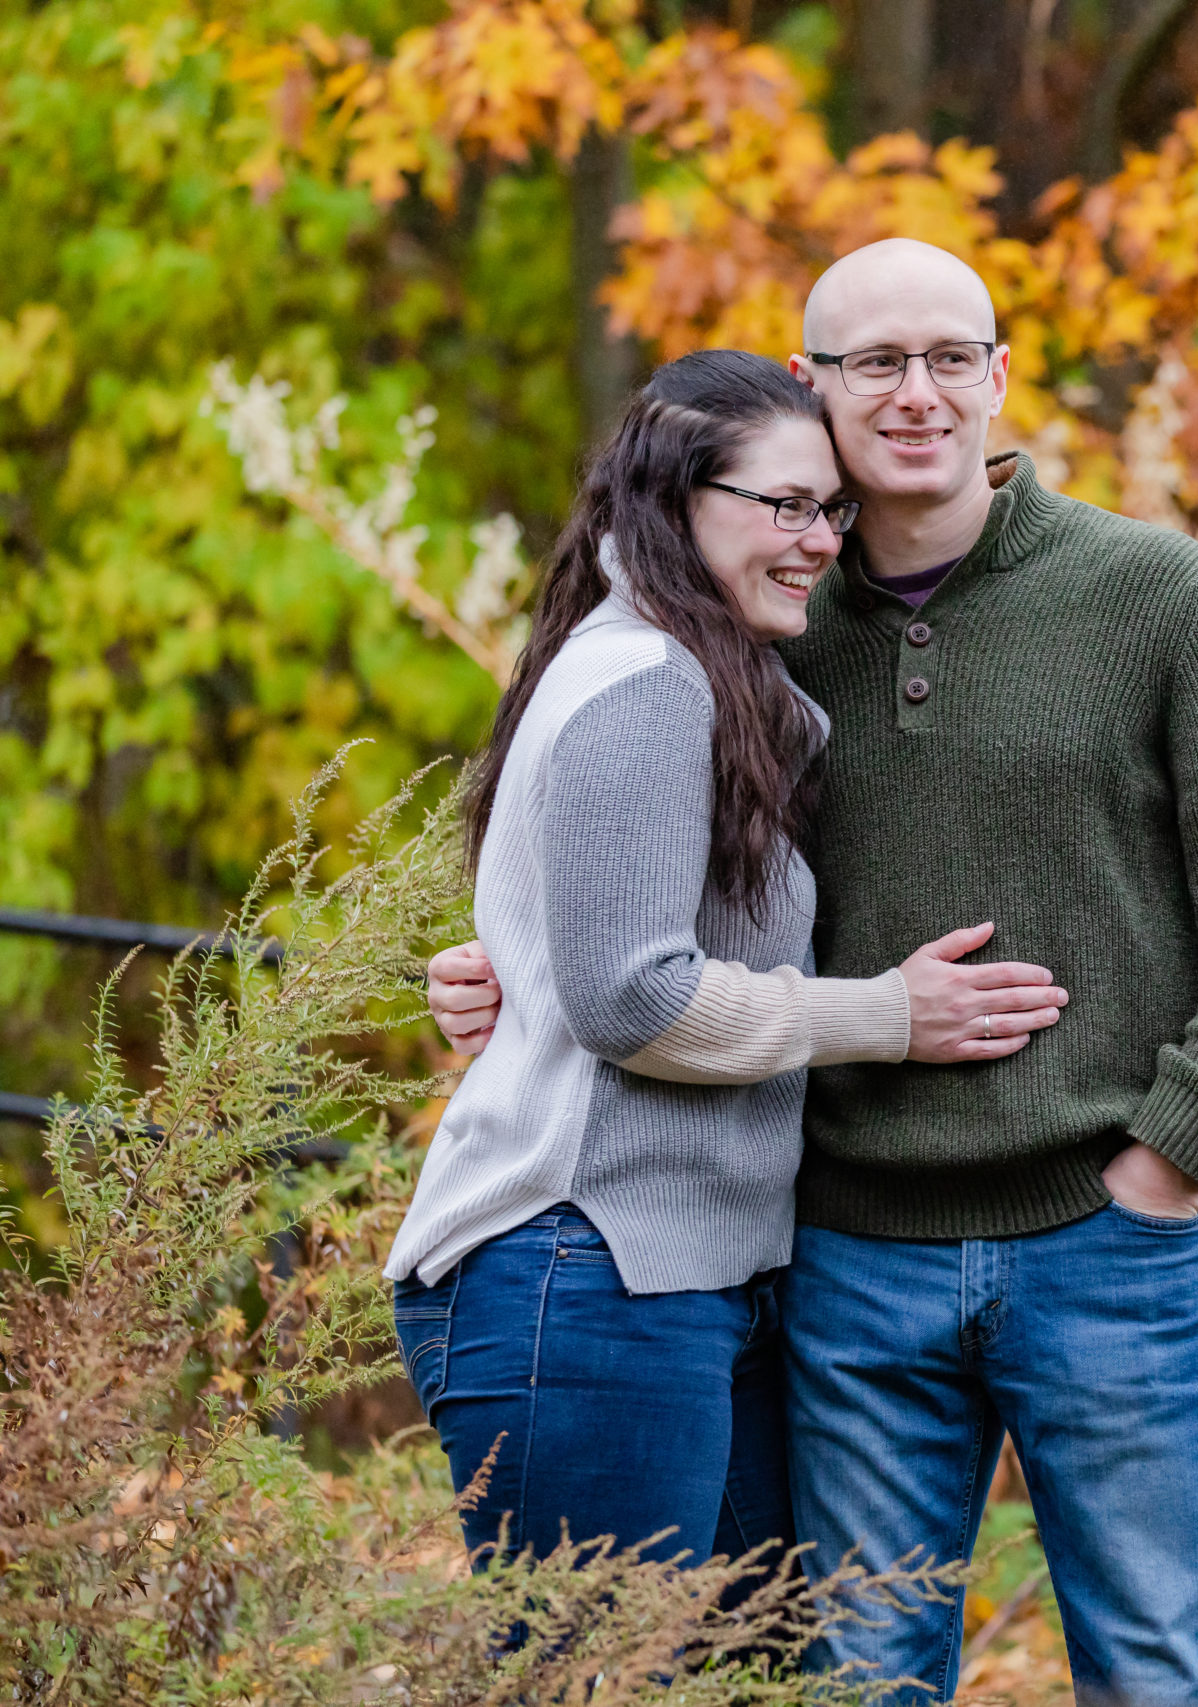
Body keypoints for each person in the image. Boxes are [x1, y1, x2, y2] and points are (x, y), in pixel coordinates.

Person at [429, 240, 1198, 1706]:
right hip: (848, 1259)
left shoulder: (1156, 596)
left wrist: (1174, 1154)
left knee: (1164, 1675)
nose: (916, 390)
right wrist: (514, 971)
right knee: (855, 1684)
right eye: (875, 361)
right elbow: (644, 874)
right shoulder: (759, 616)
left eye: (950, 356)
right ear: (814, 387)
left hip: (1113, 1246)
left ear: (1000, 378)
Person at [389, 349, 1070, 1579]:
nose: (819, 540)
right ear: (672, 502)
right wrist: (891, 1017)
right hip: (584, 1272)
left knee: (755, 1663)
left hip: (688, 1282)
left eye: (832, 509)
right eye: (786, 506)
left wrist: (513, 979)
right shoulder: (645, 681)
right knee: (596, 1677)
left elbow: (585, 940)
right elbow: (629, 997)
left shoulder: (708, 677)